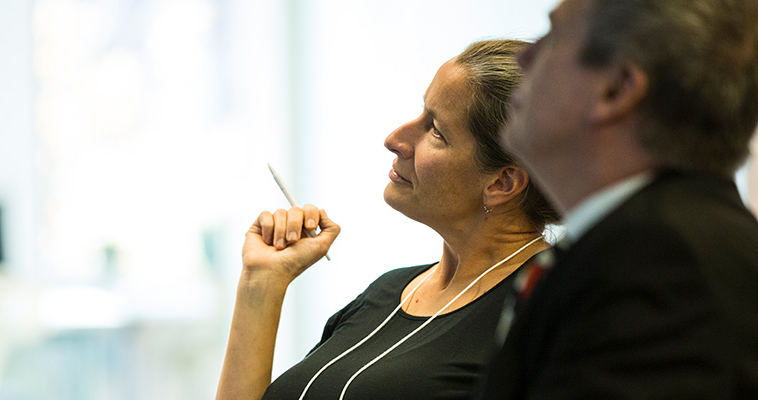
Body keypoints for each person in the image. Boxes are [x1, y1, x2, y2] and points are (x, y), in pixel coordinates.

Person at [216, 39, 559, 400]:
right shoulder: (386, 292)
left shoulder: (542, 310)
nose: (395, 139)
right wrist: (261, 283)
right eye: (421, 113)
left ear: (502, 183)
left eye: (435, 130)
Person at [475, 0, 758, 399]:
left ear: (615, 89)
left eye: (553, 36)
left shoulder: (662, 262)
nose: (524, 57)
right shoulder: (637, 243)